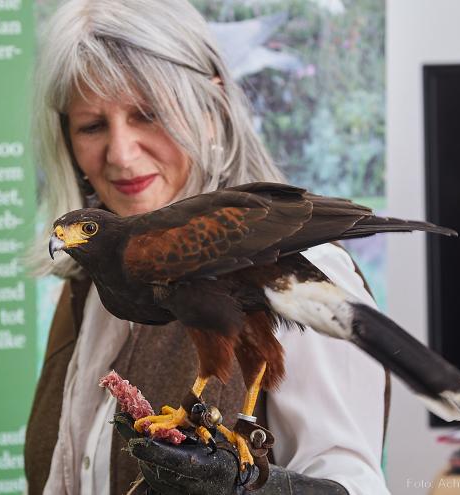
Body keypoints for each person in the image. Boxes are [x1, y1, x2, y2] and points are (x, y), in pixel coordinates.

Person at [24, 0, 391, 494]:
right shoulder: (89, 287)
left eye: (147, 114)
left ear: (212, 110)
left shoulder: (293, 264)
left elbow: (351, 484)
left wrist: (256, 490)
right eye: (92, 125)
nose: (122, 154)